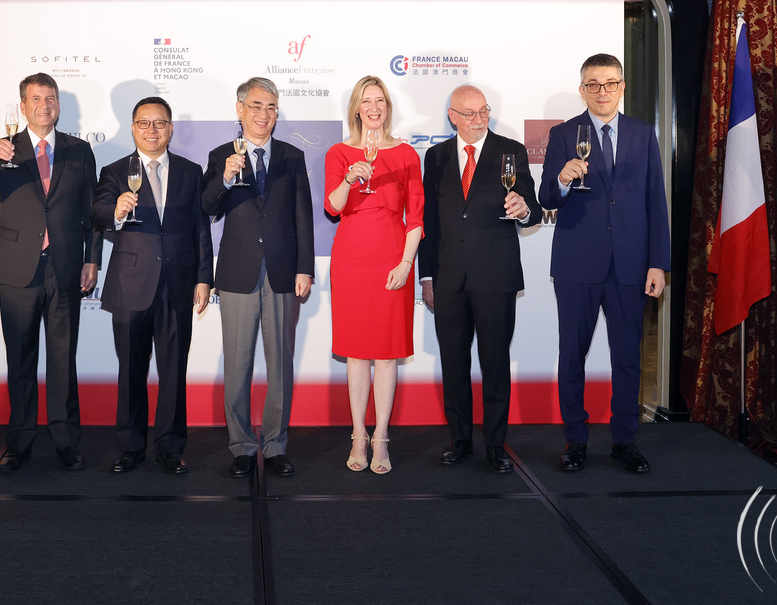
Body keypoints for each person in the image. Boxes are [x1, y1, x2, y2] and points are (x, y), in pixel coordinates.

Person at [538, 53, 670, 473]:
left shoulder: (642, 133)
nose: (602, 91)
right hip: (577, 264)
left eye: (610, 83)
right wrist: (562, 179)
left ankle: (624, 440)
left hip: (631, 264)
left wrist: (658, 263)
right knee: (572, 355)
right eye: (593, 84)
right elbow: (545, 198)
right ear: (582, 90)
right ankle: (575, 439)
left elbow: (655, 201)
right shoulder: (563, 134)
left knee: (628, 357)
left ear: (622, 87)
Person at [0, 73, 101, 472]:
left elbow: (92, 211)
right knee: (21, 360)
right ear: (23, 106)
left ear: (58, 105)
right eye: (37, 98)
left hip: (65, 267)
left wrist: (92, 259)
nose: (45, 105)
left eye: (51, 98)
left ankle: (66, 441)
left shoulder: (79, 150)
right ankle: (20, 442)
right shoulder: (5, 147)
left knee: (63, 359)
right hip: (17, 269)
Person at [420, 85, 541, 474]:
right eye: (469, 113)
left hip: (496, 276)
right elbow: (429, 220)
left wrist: (523, 208)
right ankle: (459, 438)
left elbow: (534, 208)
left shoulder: (511, 151)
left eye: (483, 111)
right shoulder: (436, 156)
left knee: (495, 363)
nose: (478, 120)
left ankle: (495, 443)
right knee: (454, 363)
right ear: (452, 116)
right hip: (448, 277)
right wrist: (427, 276)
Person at [92, 97, 214, 475]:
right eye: (144, 123)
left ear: (170, 128)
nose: (152, 130)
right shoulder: (115, 171)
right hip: (131, 285)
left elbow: (201, 229)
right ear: (133, 128)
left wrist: (203, 277)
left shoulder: (191, 172)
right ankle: (130, 446)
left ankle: (171, 447)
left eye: (159, 123)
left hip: (178, 284)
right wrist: (115, 211)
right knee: (131, 371)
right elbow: (97, 213)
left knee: (174, 371)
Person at [201, 77, 315, 479]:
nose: (264, 114)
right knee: (237, 363)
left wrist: (305, 268)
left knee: (281, 363)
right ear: (240, 109)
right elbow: (207, 207)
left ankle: (276, 444)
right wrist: (225, 177)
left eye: (271, 107)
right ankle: (242, 446)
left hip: (283, 271)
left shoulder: (292, 156)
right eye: (256, 106)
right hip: (237, 272)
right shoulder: (221, 155)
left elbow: (303, 216)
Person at [325, 76, 424, 474]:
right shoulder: (338, 153)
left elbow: (415, 217)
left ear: (388, 107)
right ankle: (358, 434)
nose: (374, 107)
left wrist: (405, 263)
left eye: (380, 100)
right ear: (356, 108)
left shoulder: (406, 154)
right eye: (366, 101)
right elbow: (333, 207)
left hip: (392, 258)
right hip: (351, 260)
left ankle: (381, 436)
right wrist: (350, 177)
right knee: (356, 353)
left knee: (385, 353)